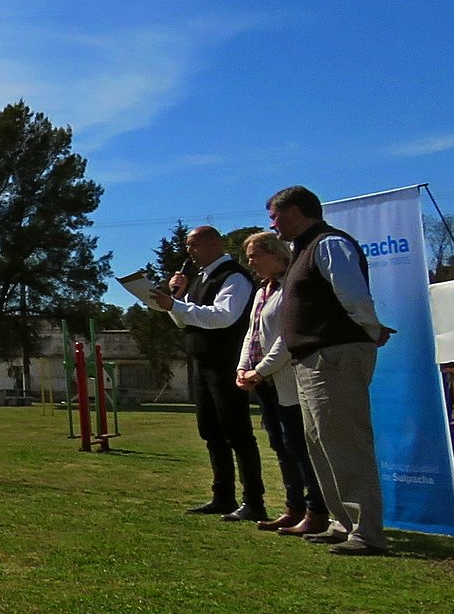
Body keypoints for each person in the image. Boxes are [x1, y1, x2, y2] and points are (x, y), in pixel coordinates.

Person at [269, 186, 394, 556]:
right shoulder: (300, 251)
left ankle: (367, 532)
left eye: (275, 216)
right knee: (321, 443)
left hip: (333, 356)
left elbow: (353, 295)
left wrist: (369, 329)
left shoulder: (328, 244)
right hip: (310, 360)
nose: (272, 225)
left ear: (294, 212)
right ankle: (342, 523)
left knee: (345, 441)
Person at [150, 225, 267, 522]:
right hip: (202, 362)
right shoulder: (199, 279)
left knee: (237, 432)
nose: (190, 251)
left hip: (226, 362)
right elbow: (184, 321)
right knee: (211, 431)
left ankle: (254, 501)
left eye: (195, 245)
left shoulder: (233, 276)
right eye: (188, 246)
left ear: (214, 244)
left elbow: (223, 317)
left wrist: (175, 304)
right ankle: (223, 496)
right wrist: (175, 300)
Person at [235, 231, 330, 537]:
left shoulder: (291, 285)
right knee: (279, 444)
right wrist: (242, 368)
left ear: (276, 254)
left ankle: (317, 510)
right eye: (248, 256)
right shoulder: (263, 290)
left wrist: (260, 370)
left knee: (299, 446)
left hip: (287, 378)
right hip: (264, 382)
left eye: (255, 255)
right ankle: (294, 508)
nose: (250, 262)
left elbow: (288, 336)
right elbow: (252, 333)